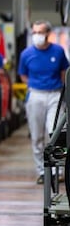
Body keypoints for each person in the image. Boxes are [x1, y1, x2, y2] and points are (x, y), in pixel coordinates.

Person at [18, 20, 69, 185]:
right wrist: (34, 86)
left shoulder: (58, 51)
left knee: (54, 133)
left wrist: (62, 93)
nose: (36, 36)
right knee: (37, 136)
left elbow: (64, 73)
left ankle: (59, 171)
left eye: (39, 32)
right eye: (34, 32)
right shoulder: (26, 54)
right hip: (36, 95)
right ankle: (41, 171)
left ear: (47, 34)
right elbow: (23, 75)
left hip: (55, 94)